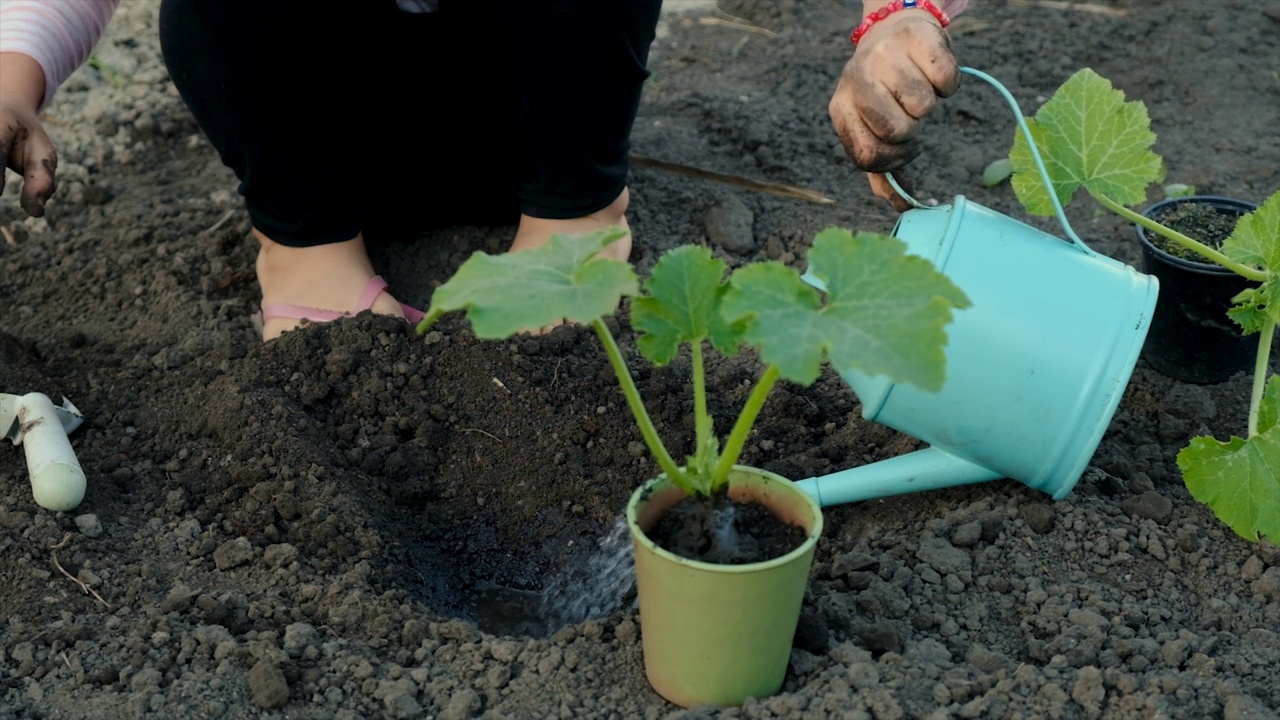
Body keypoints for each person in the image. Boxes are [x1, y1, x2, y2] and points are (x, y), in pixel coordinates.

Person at [1, 0, 963, 340]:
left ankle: (572, 227)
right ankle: (308, 256)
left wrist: (898, 19)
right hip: (322, 137)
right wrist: (14, 79)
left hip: (540, 117)